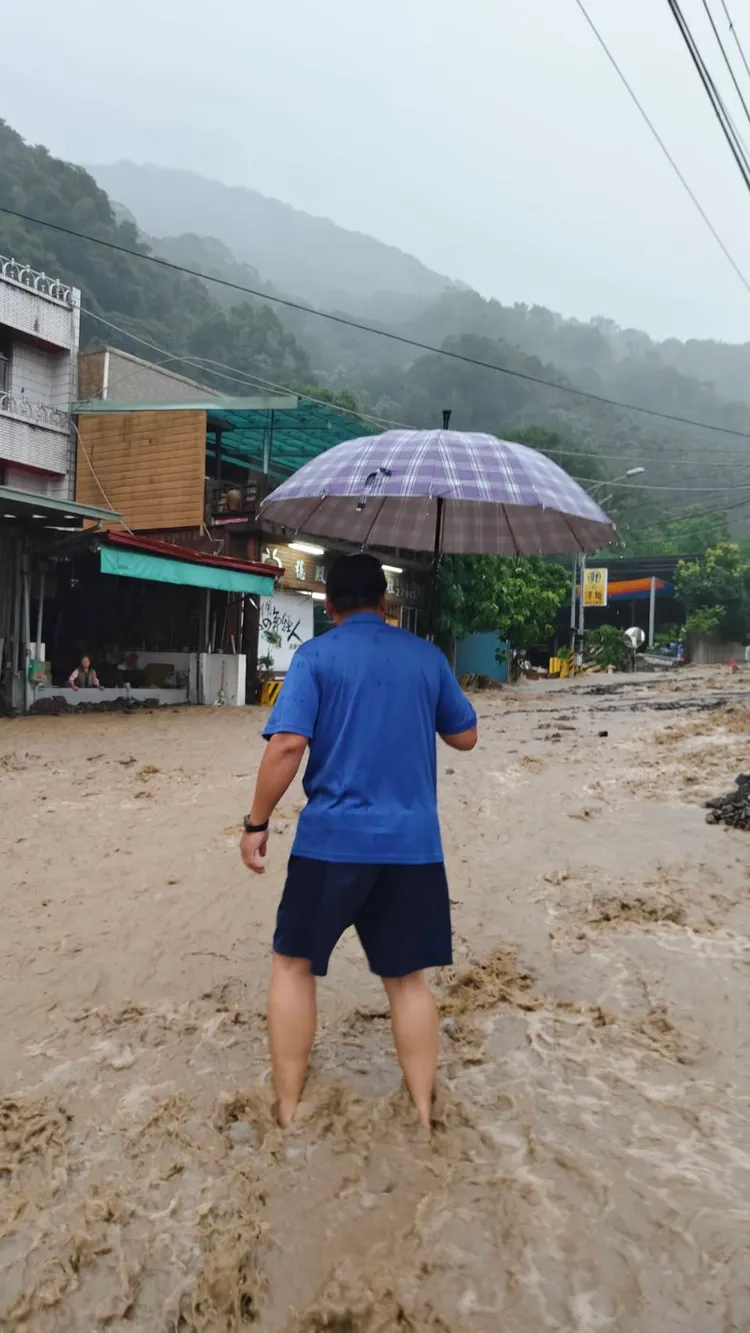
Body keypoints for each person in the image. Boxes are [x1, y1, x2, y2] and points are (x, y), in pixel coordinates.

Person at [239, 553, 477, 1129]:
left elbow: (288, 746)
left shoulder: (316, 657)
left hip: (332, 845)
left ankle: (290, 1110)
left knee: (294, 965)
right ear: (386, 602)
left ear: (329, 605)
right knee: (407, 979)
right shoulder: (426, 656)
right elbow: (465, 735)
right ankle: (422, 1112)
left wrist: (256, 821)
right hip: (413, 848)